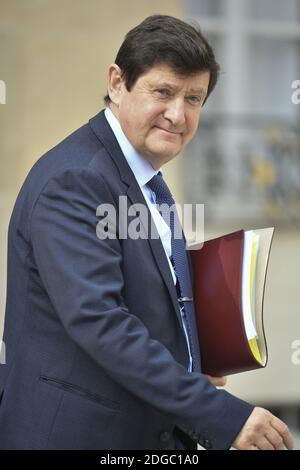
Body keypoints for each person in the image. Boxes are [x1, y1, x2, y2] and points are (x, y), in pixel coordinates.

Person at [0, 14, 294, 451]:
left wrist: (194, 359)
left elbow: (149, 302)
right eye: (163, 92)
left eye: (194, 98)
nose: (178, 114)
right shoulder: (77, 179)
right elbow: (102, 322)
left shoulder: (146, 180)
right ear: (117, 83)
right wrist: (223, 417)